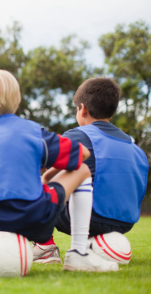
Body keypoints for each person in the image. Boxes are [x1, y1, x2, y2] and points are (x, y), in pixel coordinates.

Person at [0, 69, 119, 272]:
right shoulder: (32, 131)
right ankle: (79, 254)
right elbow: (82, 153)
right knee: (82, 169)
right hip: (35, 219)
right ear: (16, 99)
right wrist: (48, 173)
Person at [33, 78, 148, 265]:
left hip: (90, 218)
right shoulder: (135, 147)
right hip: (125, 223)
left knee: (33, 182)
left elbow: (45, 171)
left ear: (83, 109)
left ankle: (45, 246)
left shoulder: (79, 135)